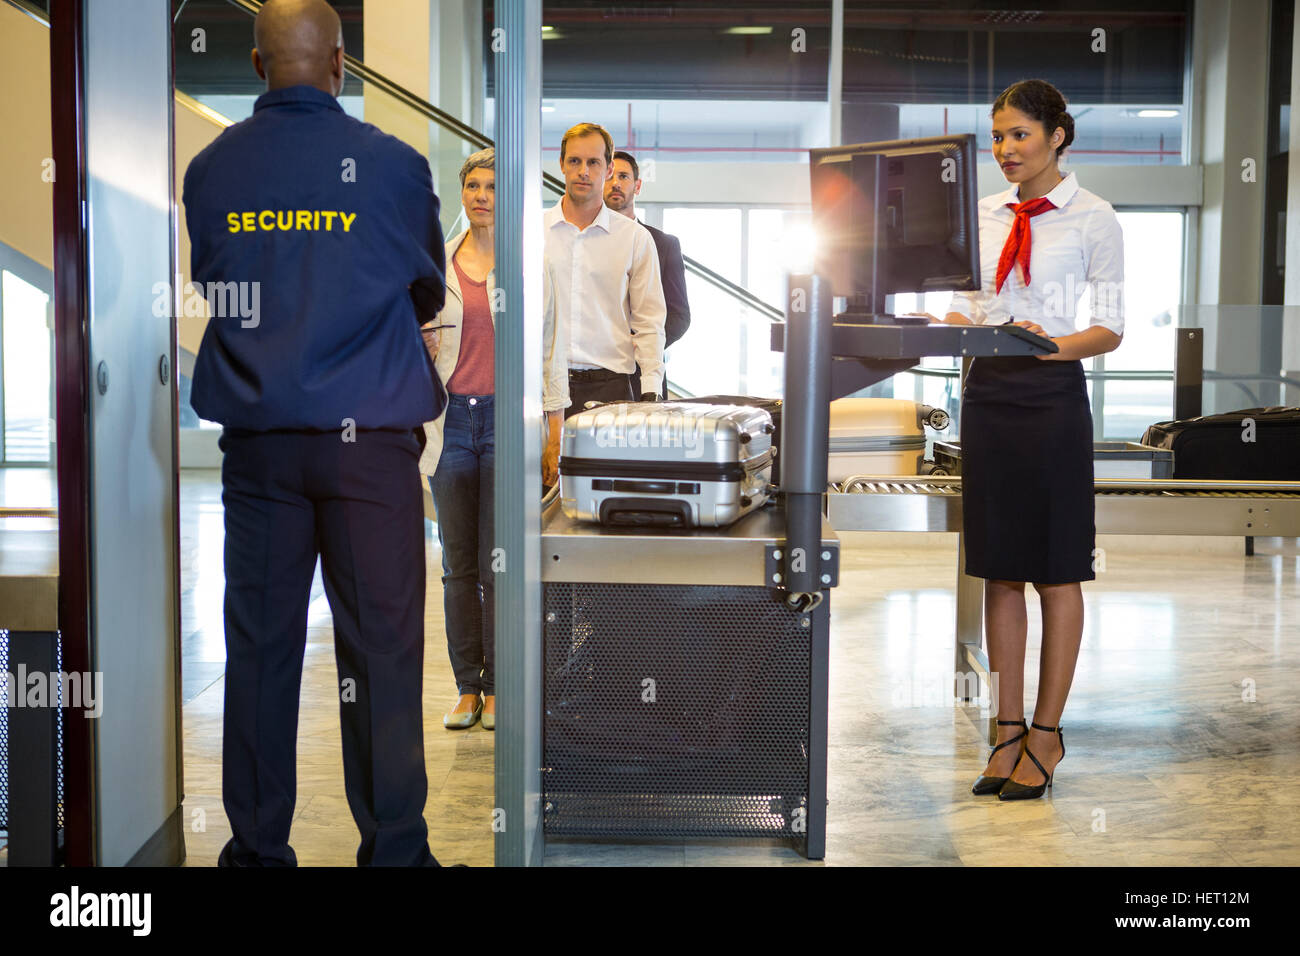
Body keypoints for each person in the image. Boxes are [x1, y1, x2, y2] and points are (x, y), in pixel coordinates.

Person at [184, 0, 448, 865]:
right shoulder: (395, 168)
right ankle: (395, 852)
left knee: (259, 658)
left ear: (259, 67)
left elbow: (221, 284)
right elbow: (425, 292)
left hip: (259, 451)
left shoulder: (213, 171)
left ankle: (257, 855)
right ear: (341, 64)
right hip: (368, 447)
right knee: (381, 652)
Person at [936, 79, 1124, 800]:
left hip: (1050, 394)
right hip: (987, 393)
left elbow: (1109, 327)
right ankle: (1006, 730)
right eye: (997, 136)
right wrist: (948, 325)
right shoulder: (981, 215)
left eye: (1019, 134)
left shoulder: (1093, 218)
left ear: (1056, 137)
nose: (1005, 149)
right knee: (1000, 566)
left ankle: (1048, 733)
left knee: (1056, 568)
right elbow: (965, 308)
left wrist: (1049, 348)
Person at [417, 147, 569, 732]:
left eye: (492, 187)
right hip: (451, 421)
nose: (481, 195)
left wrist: (553, 431)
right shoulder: (438, 266)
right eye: (473, 186)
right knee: (457, 565)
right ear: (463, 194)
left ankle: (502, 685)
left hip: (508, 420)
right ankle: (466, 688)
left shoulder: (533, 266)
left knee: (497, 564)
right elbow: (409, 339)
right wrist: (419, 347)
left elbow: (553, 351)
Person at [544, 123, 667, 414]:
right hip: (544, 386)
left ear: (608, 169)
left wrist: (651, 391)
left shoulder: (635, 238)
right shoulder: (534, 232)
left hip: (611, 389)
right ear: (561, 164)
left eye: (593, 162)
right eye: (574, 161)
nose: (583, 171)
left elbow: (649, 321)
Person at [604, 149, 690, 399]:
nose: (616, 183)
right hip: (597, 370)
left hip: (645, 374)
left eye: (623, 176)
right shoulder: (587, 242)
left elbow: (680, 316)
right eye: (609, 176)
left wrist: (643, 344)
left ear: (637, 185)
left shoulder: (664, 244)